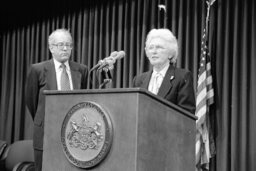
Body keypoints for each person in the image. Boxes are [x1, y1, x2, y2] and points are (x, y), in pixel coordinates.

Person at [25, 28, 89, 171]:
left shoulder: (82, 70)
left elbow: (83, 99)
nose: (65, 48)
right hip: (46, 131)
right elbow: (31, 102)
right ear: (51, 48)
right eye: (61, 45)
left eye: (69, 44)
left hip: (74, 133)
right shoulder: (37, 70)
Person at [133, 28, 196, 114]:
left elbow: (186, 114)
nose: (154, 52)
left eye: (159, 47)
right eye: (150, 48)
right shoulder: (139, 80)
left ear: (170, 53)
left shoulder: (182, 77)